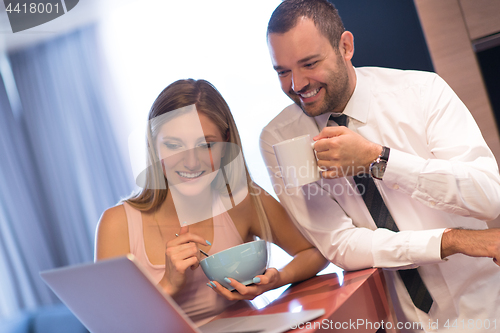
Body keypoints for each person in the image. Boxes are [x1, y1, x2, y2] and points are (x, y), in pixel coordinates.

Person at [261, 0, 500, 331]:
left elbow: (488, 196)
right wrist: (451, 240)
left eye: (309, 63)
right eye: (283, 71)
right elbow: (341, 245)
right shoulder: (279, 140)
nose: (297, 84)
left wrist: (379, 159)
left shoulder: (421, 92)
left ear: (345, 46)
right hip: (403, 323)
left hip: (488, 309)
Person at [95, 79, 327, 326]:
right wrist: (167, 286)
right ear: (154, 147)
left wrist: (275, 280)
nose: (192, 162)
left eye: (206, 145)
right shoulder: (117, 224)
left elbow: (315, 251)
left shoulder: (241, 200)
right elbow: (109, 325)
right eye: (174, 145)